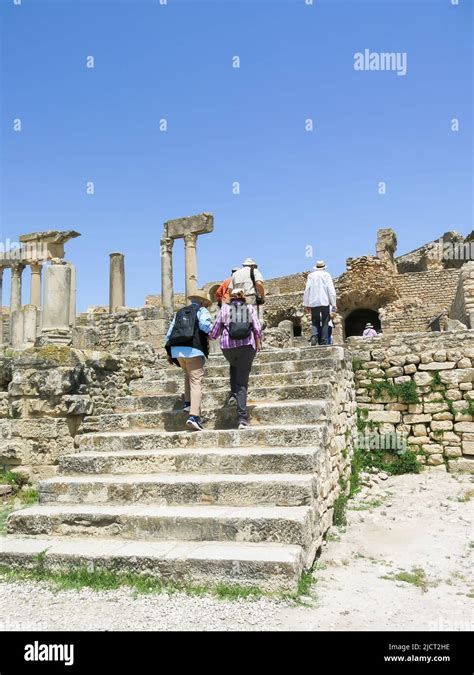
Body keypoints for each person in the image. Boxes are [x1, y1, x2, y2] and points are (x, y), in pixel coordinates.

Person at [209, 287, 263, 429]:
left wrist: (211, 337)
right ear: (243, 297)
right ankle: (242, 419)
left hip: (228, 348)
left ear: (231, 297)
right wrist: (258, 343)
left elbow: (214, 331)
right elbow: (257, 328)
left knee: (234, 365)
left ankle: (233, 395)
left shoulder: (225, 309)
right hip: (246, 346)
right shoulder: (250, 308)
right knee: (242, 383)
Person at [164, 290, 212, 431]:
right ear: (203, 302)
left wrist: (168, 352)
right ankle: (194, 417)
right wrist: (215, 330)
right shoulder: (202, 310)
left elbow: (169, 333)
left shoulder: (180, 312)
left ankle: (187, 403)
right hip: (194, 349)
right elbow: (204, 326)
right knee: (196, 381)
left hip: (177, 350)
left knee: (188, 375)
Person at [303, 261, 337, 346]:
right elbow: (331, 290)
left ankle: (314, 336)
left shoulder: (310, 276)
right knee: (325, 321)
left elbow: (307, 290)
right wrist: (333, 304)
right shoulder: (327, 275)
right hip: (325, 302)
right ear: (324, 267)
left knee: (315, 321)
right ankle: (323, 341)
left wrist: (306, 304)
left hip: (313, 303)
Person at [230, 258, 265, 322]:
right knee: (253, 320)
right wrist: (263, 297)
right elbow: (259, 284)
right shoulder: (255, 271)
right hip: (250, 298)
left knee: (239, 321)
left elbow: (230, 290)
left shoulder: (235, 274)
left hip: (237, 300)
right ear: (253, 265)